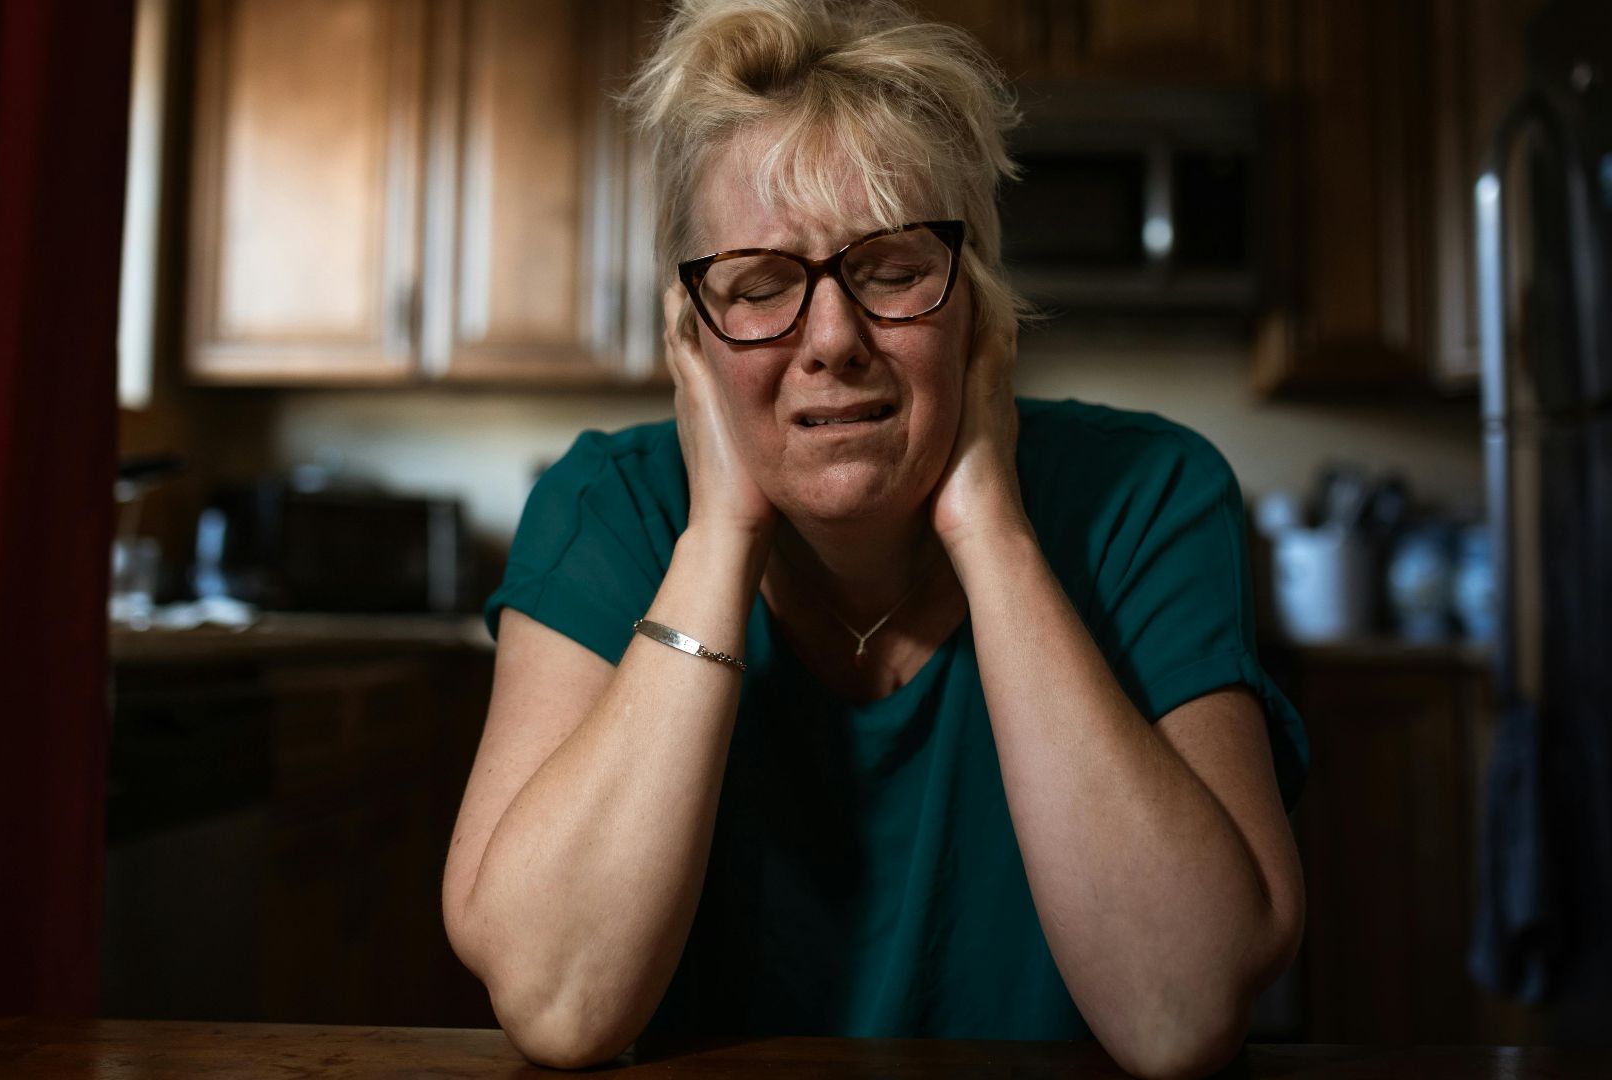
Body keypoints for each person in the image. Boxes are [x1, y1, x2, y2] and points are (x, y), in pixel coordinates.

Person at [441, 1, 1309, 1076]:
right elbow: (560, 1002)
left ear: (976, 304)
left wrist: (988, 524)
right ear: (690, 338)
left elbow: (1180, 1012)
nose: (834, 340)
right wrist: (721, 530)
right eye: (758, 286)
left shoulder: (1154, 496)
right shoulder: (608, 508)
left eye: (893, 269)